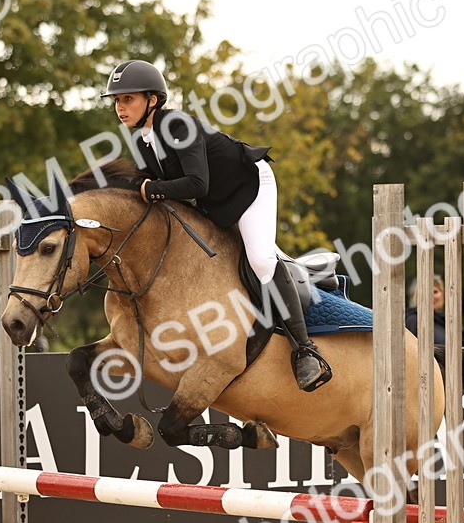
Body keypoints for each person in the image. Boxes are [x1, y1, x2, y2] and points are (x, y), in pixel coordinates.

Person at [102, 59, 331, 391]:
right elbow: (151, 185)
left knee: (261, 259)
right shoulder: (141, 140)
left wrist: (150, 189)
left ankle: (305, 351)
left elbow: (196, 184)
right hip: (218, 203)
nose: (120, 107)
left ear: (153, 100)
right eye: (117, 101)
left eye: (128, 99)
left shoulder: (178, 126)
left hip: (250, 186)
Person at [405, 274, 445, 348]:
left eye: (435, 292)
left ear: (442, 294)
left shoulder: (447, 321)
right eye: (427, 292)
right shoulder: (414, 320)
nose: (431, 296)